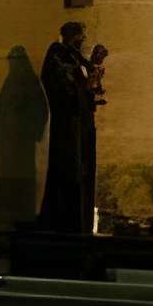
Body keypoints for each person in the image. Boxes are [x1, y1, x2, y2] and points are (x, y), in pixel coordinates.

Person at [38, 20, 102, 234]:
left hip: (82, 119)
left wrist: (93, 76)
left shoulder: (75, 56)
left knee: (82, 166)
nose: (83, 39)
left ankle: (80, 222)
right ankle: (62, 220)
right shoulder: (57, 53)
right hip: (67, 121)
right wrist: (81, 81)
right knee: (67, 167)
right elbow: (60, 83)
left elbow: (85, 82)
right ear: (70, 35)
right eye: (80, 35)